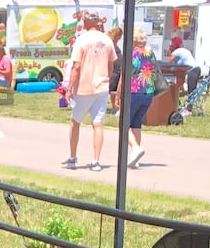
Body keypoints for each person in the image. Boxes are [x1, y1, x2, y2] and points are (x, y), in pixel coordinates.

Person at [64, 12, 116, 170]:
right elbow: (111, 65)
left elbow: (76, 66)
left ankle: (73, 157)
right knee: (97, 123)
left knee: (75, 121)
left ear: (86, 23)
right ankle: (96, 160)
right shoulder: (107, 40)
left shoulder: (82, 40)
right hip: (102, 86)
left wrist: (69, 87)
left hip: (84, 88)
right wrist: (105, 79)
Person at [123, 30, 163, 168]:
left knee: (124, 125)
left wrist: (118, 92)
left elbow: (126, 73)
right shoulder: (150, 53)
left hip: (133, 91)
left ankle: (135, 148)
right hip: (148, 92)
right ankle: (135, 158)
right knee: (136, 124)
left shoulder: (131, 54)